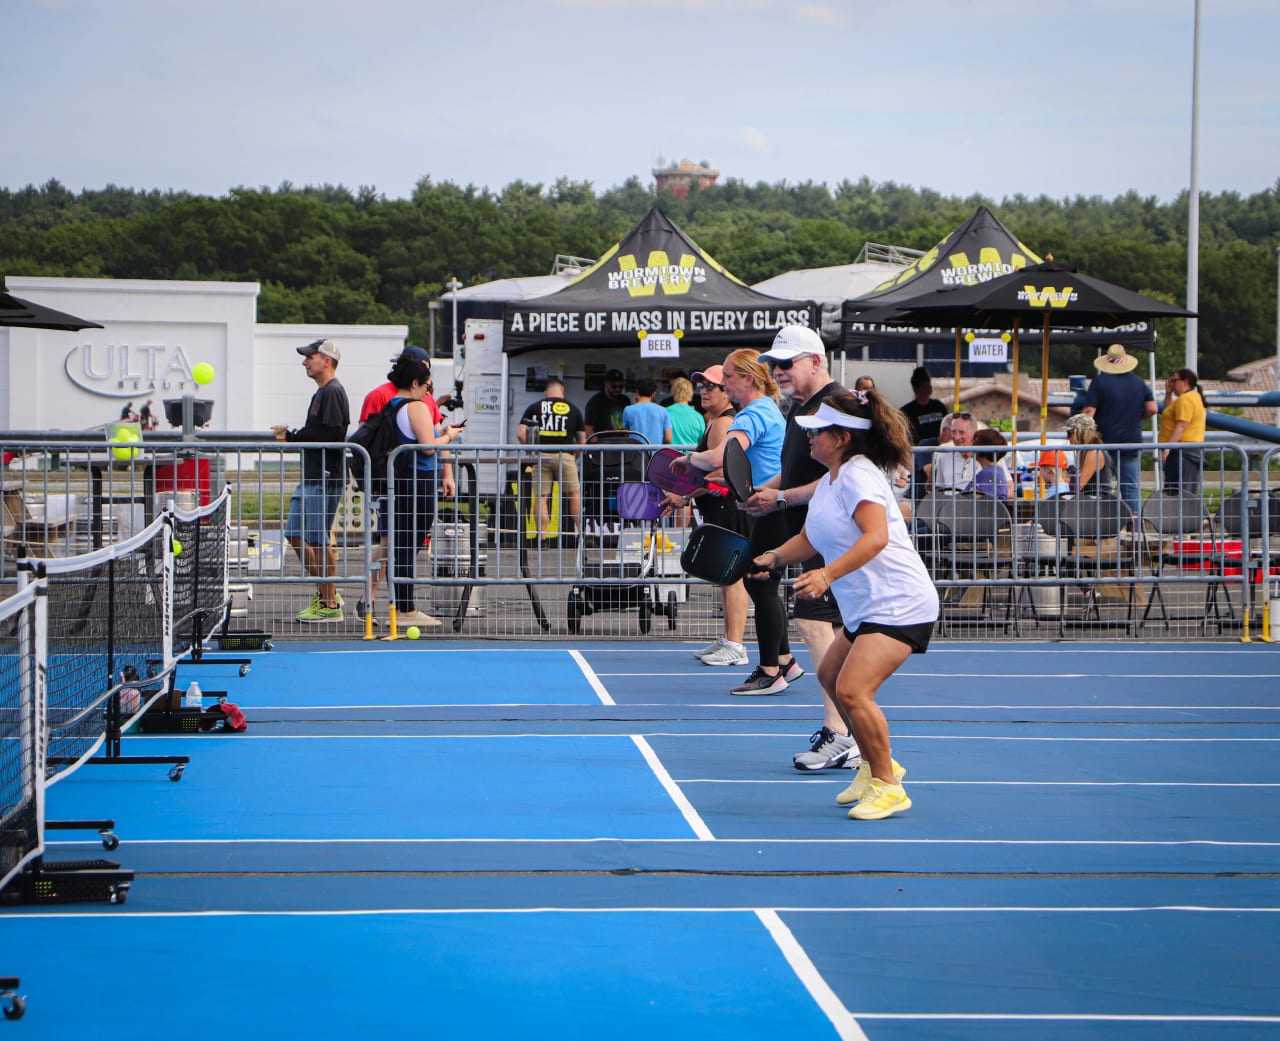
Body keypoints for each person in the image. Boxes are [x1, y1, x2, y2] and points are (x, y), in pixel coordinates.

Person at [753, 390, 938, 821]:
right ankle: (879, 767)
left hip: (899, 603)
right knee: (831, 675)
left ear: (840, 437)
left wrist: (827, 575)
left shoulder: (859, 475)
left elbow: (876, 536)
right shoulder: (833, 479)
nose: (810, 440)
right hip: (867, 607)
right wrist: (775, 557)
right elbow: (812, 538)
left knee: (854, 690)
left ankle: (889, 786)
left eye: (816, 433)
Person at [747, 325, 857, 768]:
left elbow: (838, 478)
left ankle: (842, 731)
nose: (778, 372)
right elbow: (795, 474)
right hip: (814, 534)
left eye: (786, 363)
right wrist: (765, 492)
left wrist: (780, 497)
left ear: (815, 360)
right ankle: (845, 729)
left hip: (832, 539)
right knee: (825, 632)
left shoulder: (834, 406)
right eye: (774, 365)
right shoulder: (804, 409)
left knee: (817, 628)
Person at [672, 349, 787, 695]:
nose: (722, 384)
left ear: (747, 379)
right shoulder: (764, 410)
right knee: (759, 583)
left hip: (768, 509)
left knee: (760, 583)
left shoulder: (752, 415)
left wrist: (690, 460)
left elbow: (726, 455)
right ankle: (784, 661)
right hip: (763, 506)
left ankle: (771, 671)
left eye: (728, 377)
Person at [358, 347, 459, 615]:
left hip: (401, 478)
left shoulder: (394, 404)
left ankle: (398, 605)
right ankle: (403, 607)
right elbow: (427, 446)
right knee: (404, 544)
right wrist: (449, 437)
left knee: (399, 543)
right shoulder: (413, 405)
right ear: (415, 382)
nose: (429, 391)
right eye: (427, 385)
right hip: (414, 480)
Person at [272, 339, 351, 623]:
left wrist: (291, 437)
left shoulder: (332, 392)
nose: (305, 362)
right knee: (295, 534)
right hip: (314, 475)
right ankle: (327, 593)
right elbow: (319, 432)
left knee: (317, 540)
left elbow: (329, 436)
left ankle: (329, 603)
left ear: (326, 360)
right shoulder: (323, 392)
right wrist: (293, 436)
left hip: (325, 477)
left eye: (310, 357)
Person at [682, 365, 750, 668]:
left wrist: (684, 493)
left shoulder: (724, 423)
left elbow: (722, 471)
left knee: (732, 576)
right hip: (720, 507)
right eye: (701, 386)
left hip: (727, 507)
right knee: (726, 577)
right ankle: (728, 639)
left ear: (727, 391)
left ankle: (736, 644)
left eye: (712, 387)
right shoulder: (717, 422)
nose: (704, 391)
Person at [1083, 344, 1156, 520]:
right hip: (1131, 441)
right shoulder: (1139, 382)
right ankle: (1135, 529)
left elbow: (1089, 412)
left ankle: (1102, 524)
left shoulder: (1100, 382)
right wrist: (1139, 416)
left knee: (1102, 487)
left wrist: (1084, 434)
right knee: (1130, 487)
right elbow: (1152, 408)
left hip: (1105, 443)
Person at [517, 377, 586, 537]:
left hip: (541, 455)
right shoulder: (573, 409)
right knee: (574, 494)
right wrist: (573, 455)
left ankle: (542, 537)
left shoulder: (535, 407)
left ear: (546, 391)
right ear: (563, 391)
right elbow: (582, 440)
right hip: (565, 455)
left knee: (541, 497)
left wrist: (531, 450)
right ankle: (581, 534)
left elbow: (520, 433)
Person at [1159, 368, 1207, 494]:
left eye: (1174, 380)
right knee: (1177, 489)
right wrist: (1168, 393)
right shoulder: (1190, 397)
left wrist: (1168, 448)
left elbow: (1181, 425)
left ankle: (1184, 513)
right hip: (1184, 450)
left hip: (1183, 451)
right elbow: (1167, 410)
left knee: (1181, 491)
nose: (1171, 383)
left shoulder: (1185, 399)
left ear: (1185, 382)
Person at [1063, 413, 1113, 496]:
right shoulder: (1086, 450)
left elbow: (1078, 486)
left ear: (1079, 433)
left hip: (1097, 502)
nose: (1067, 438)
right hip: (1089, 499)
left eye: (1069, 433)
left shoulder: (1093, 452)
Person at [925, 412, 976, 492]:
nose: (956, 437)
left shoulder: (986, 458)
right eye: (953, 432)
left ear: (974, 433)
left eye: (961, 432)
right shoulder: (943, 458)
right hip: (949, 504)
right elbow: (939, 491)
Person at [900, 367, 946, 444]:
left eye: (929, 383)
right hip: (918, 452)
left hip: (941, 451)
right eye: (925, 384)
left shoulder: (939, 406)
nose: (929, 387)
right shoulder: (906, 412)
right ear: (916, 388)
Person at [621, 379, 673, 446]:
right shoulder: (663, 410)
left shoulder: (628, 410)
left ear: (637, 392)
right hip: (655, 454)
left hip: (635, 453)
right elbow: (668, 439)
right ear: (654, 393)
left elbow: (625, 434)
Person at [967, 428, 1012, 499]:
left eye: (974, 441)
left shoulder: (987, 474)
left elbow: (975, 500)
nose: (970, 444)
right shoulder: (997, 470)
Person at [584, 369, 630, 437]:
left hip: (622, 441)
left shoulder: (625, 400)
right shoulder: (595, 402)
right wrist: (595, 445)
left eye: (620, 387)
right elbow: (588, 428)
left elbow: (628, 426)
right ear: (606, 384)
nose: (617, 389)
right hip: (602, 442)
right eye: (614, 386)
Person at [665, 377, 705, 446]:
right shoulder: (698, 416)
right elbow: (702, 441)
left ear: (673, 391)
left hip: (670, 455)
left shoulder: (665, 412)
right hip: (691, 455)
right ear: (690, 393)